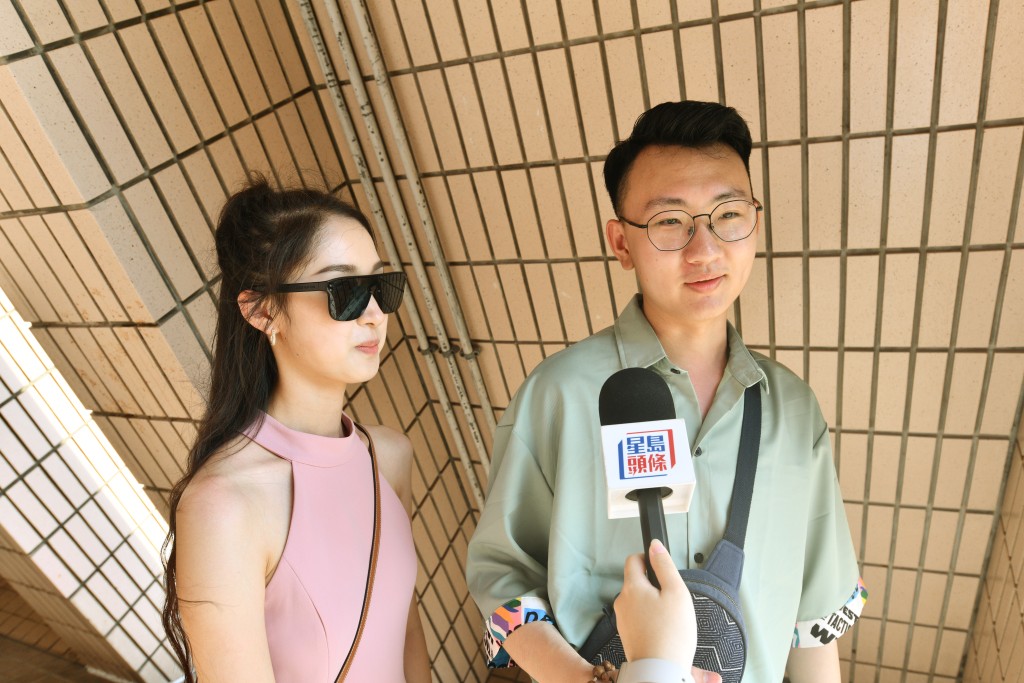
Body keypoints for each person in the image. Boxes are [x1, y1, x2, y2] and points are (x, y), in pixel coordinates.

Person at [466, 101, 866, 682]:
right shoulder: (560, 394)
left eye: (728, 214)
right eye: (670, 221)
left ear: (754, 221)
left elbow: (813, 619)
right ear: (621, 242)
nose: (705, 249)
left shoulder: (794, 409)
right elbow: (505, 578)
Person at [160, 176, 430, 682]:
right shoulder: (224, 506)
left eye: (379, 285)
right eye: (344, 291)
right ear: (263, 311)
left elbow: (405, 630)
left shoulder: (390, 455)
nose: (374, 314)